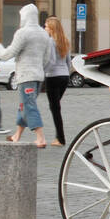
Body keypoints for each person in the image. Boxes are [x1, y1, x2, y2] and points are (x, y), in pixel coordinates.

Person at [0, 4, 51, 148]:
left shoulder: (22, 33)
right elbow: (47, 58)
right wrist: (38, 68)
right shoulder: (44, 34)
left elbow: (8, 54)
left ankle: (41, 138)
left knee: (29, 106)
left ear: (24, 16)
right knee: (24, 106)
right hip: (38, 76)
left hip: (26, 76)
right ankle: (16, 136)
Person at [43, 17, 71, 146]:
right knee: (56, 107)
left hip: (53, 76)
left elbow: (51, 60)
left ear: (52, 28)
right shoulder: (65, 41)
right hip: (64, 77)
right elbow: (68, 62)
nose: (45, 28)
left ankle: (60, 138)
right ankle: (58, 137)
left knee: (55, 108)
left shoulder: (50, 41)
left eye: (46, 26)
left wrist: (43, 72)